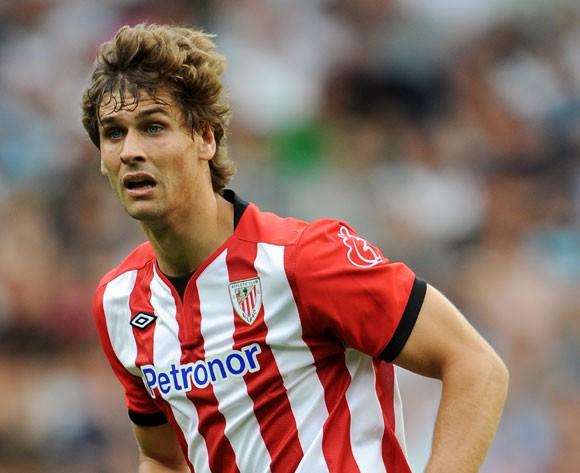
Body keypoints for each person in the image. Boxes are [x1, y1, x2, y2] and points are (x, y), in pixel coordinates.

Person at [81, 23, 509, 473]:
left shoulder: (305, 258)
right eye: (114, 133)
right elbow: (161, 457)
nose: (130, 150)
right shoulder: (119, 303)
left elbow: (475, 364)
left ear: (205, 137)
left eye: (153, 127)